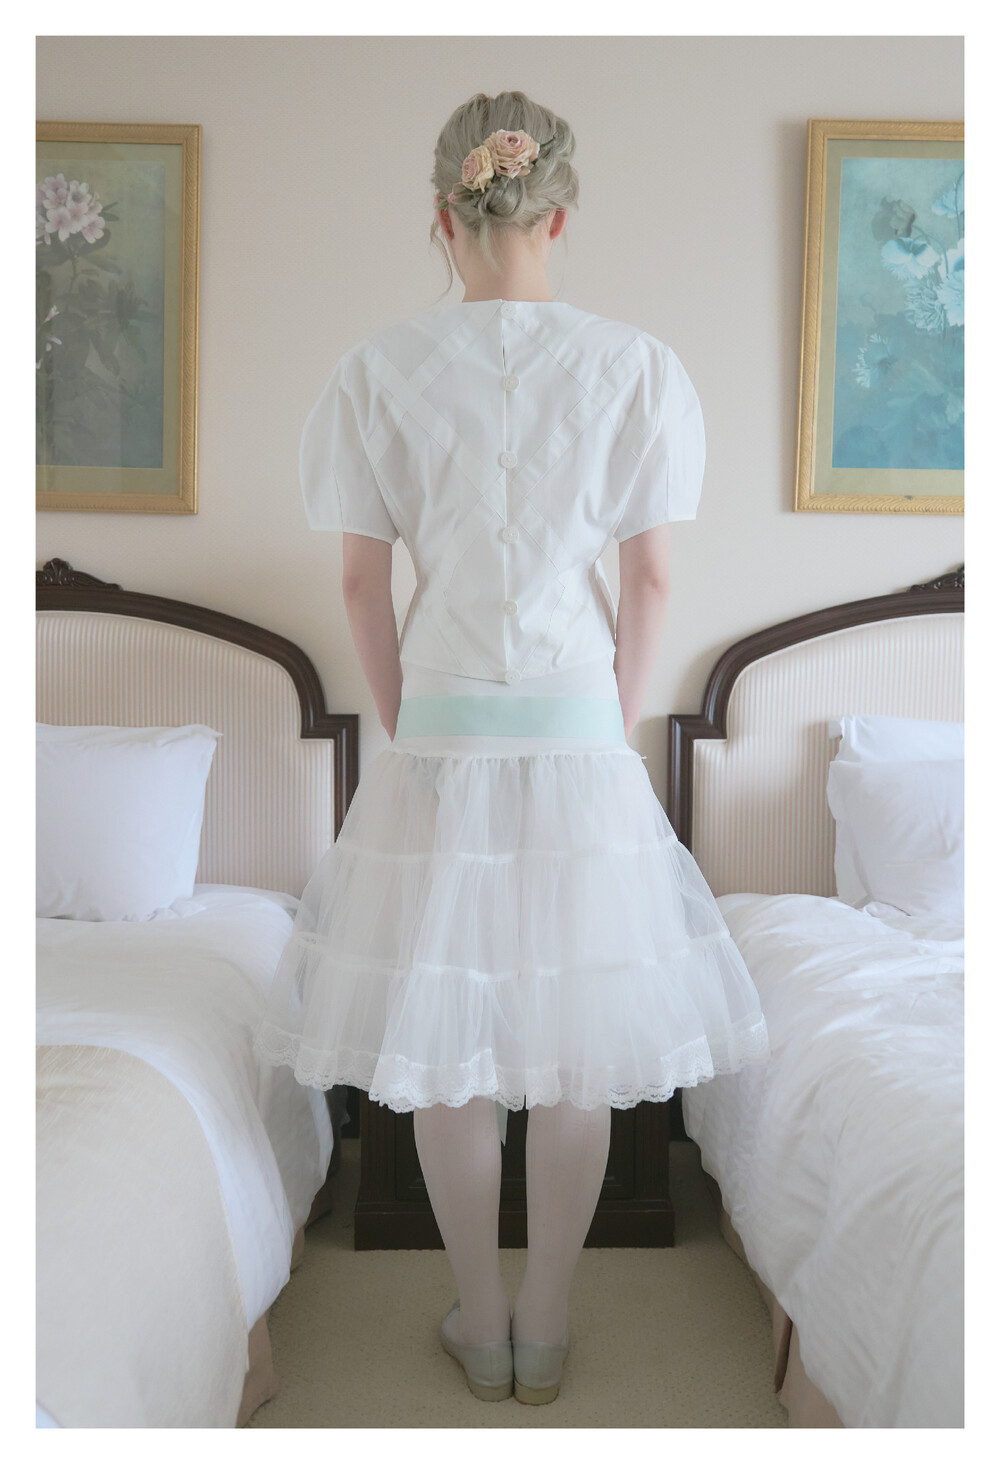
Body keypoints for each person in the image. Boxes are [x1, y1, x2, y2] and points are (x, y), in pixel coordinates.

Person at [255, 90, 770, 1407]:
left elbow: (363, 587)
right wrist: (611, 723)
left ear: (445, 217)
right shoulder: (637, 366)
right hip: (576, 730)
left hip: (442, 727)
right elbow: (651, 582)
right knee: (572, 1033)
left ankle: (477, 1321)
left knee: (450, 1033)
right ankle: (547, 1325)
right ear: (560, 216)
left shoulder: (376, 370)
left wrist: (408, 719)